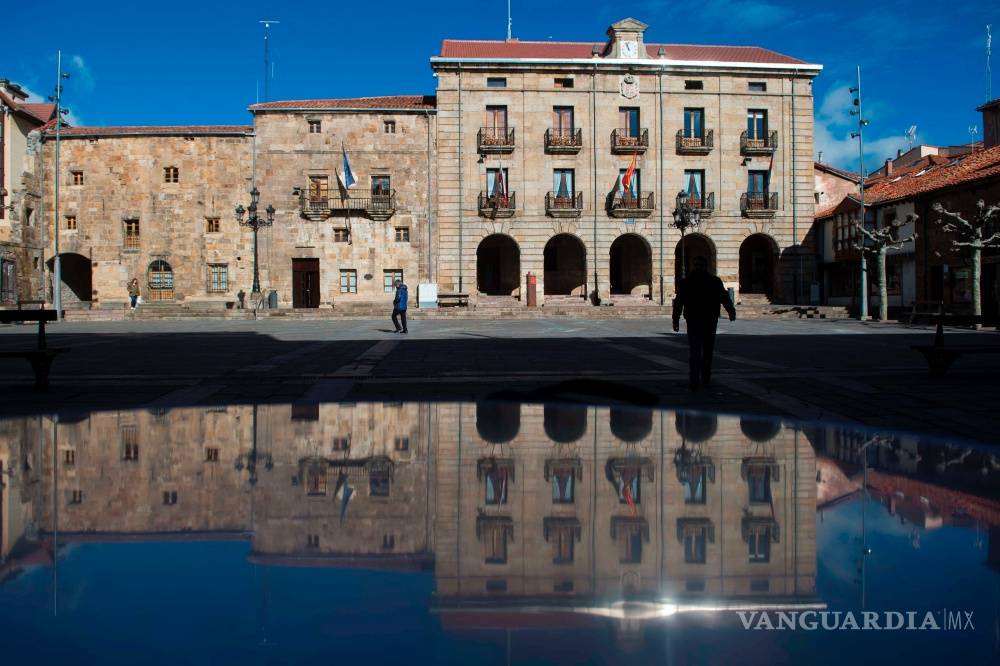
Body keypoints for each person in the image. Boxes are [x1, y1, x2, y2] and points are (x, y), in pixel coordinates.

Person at [672, 256, 736, 390]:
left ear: (705, 266)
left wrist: (731, 311)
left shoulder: (694, 281)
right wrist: (675, 319)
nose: (698, 267)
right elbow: (679, 301)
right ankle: (698, 380)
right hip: (699, 320)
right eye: (697, 265)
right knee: (699, 351)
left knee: (704, 351)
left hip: (705, 319)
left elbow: (724, 297)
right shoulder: (698, 281)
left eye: (700, 265)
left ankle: (701, 379)